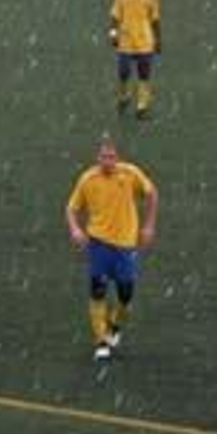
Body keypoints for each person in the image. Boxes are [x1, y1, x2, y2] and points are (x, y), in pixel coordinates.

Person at [65, 136, 159, 363]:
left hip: (125, 246)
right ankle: (101, 342)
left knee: (126, 293)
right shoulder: (87, 179)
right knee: (98, 289)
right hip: (98, 243)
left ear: (117, 157)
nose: (108, 161)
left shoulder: (130, 174)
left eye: (112, 157)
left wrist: (148, 226)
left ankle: (114, 324)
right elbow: (71, 208)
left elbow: (152, 194)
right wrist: (75, 229)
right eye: (104, 157)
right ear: (98, 158)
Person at [109, 0, 162, 119]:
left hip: (145, 42)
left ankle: (142, 107)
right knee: (123, 72)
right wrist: (113, 34)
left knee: (144, 75)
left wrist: (158, 39)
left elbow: (155, 20)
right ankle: (124, 96)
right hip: (126, 41)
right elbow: (114, 17)